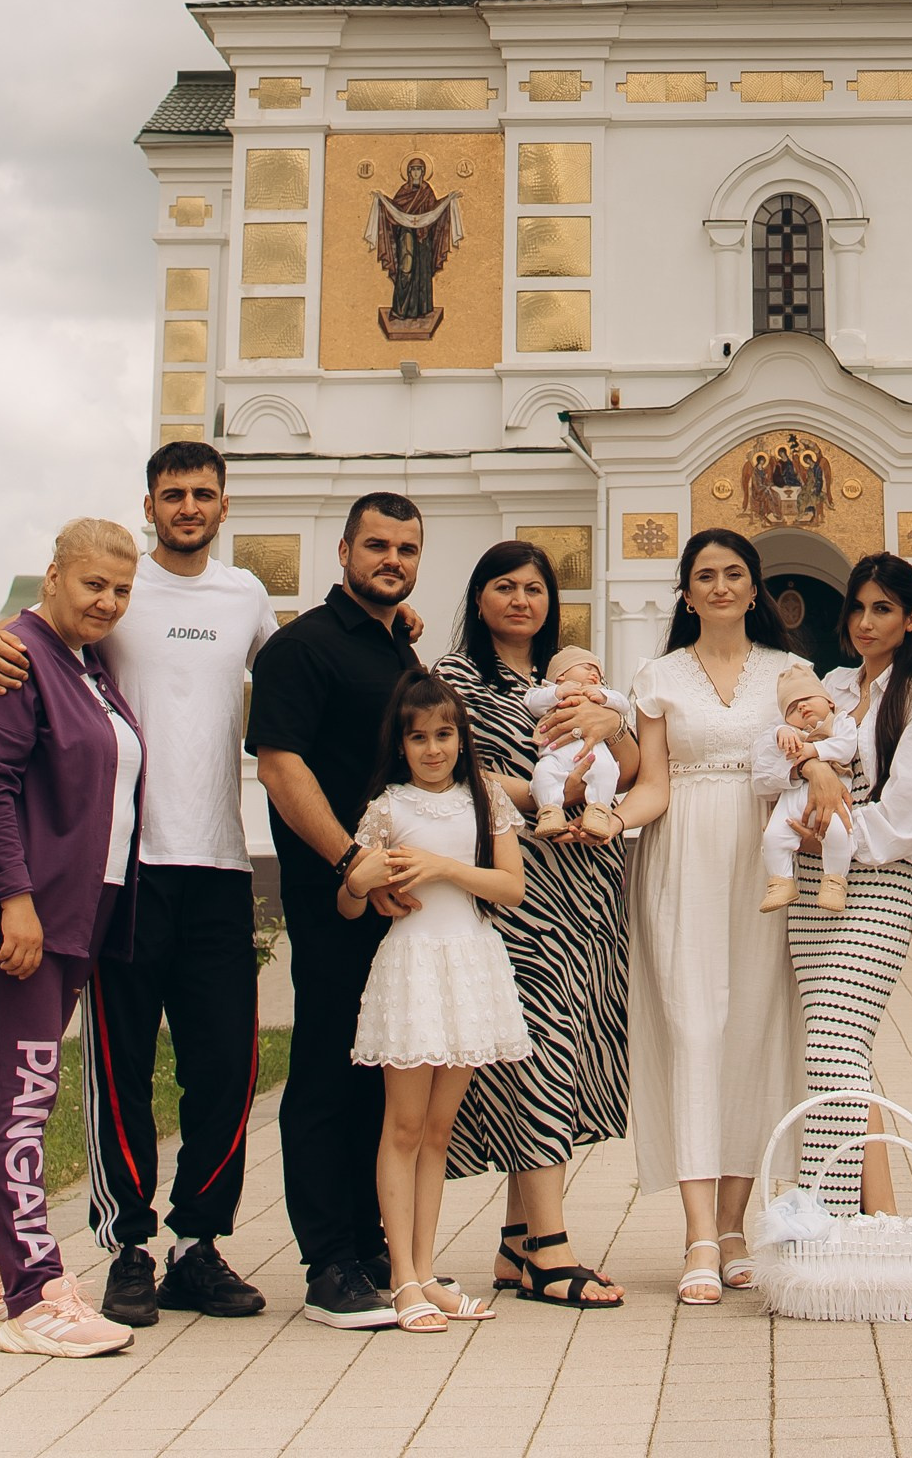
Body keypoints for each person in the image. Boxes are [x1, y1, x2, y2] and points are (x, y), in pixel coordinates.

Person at [0, 442, 275, 1329]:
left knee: (225, 1068)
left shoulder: (246, 596)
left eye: (203, 493)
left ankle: (197, 1245)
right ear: (150, 504)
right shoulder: (114, 587)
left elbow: (298, 674)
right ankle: (128, 1246)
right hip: (126, 872)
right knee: (119, 1065)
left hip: (221, 860)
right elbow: (12, 634)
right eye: (173, 493)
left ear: (223, 505)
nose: (188, 506)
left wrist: (394, 631)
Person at [0, 519, 144, 1359]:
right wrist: (14, 901)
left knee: (0, 1089)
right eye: (94, 584)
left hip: (72, 911)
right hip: (18, 913)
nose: (108, 602)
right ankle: (35, 1295)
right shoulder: (14, 656)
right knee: (24, 1095)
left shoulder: (86, 666)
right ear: (52, 576)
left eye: (121, 590)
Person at [437, 540, 633, 1311]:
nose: (521, 601)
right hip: (516, 891)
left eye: (535, 588)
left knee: (563, 1047)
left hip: (587, 890)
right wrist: (544, 794)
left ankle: (518, 1241)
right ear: (478, 596)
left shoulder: (571, 681)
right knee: (539, 1049)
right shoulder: (455, 679)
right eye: (505, 586)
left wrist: (610, 720)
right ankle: (552, 1250)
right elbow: (454, 772)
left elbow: (631, 767)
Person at [246, 490, 424, 1329]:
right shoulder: (301, 647)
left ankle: (370, 1244)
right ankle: (327, 1264)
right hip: (335, 895)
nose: (392, 560)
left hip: (403, 900)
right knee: (325, 1070)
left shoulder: (400, 652)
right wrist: (352, 862)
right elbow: (281, 768)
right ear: (345, 552)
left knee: (378, 1071)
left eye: (406, 549)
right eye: (377, 545)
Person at [623, 527, 801, 1305]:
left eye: (734, 573)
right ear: (687, 592)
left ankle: (735, 1227)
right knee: (693, 1028)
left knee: (754, 1029)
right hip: (683, 852)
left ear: (755, 588)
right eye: (705, 575)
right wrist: (611, 818)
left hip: (764, 855)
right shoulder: (658, 675)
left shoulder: (788, 672)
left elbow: (813, 759)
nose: (721, 586)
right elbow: (653, 784)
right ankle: (697, 1231)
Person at [752, 551, 912, 1209]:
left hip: (879, 882)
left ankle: (824, 1211)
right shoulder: (831, 687)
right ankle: (875, 1214)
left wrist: (831, 830)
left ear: (910, 618)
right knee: (835, 1047)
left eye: (883, 609)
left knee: (834, 1042)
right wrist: (811, 770)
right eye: (859, 608)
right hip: (809, 891)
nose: (866, 622)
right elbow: (763, 763)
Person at [342, 669, 531, 1330]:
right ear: (400, 744)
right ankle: (402, 1279)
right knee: (403, 1126)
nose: (433, 748)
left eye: (444, 734)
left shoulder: (485, 800)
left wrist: (444, 867)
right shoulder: (388, 808)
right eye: (418, 737)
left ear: (461, 737)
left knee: (438, 1129)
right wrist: (360, 882)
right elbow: (349, 902)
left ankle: (426, 1271)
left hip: (471, 966)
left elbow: (511, 888)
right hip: (414, 970)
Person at [758, 669, 859, 914]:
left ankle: (834, 882)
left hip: (831, 797)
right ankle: (780, 881)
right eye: (792, 708)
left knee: (838, 833)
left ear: (830, 701)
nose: (801, 706)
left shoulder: (840, 721)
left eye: (807, 698)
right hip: (794, 798)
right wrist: (781, 731)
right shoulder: (789, 731)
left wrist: (814, 751)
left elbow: (846, 747)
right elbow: (769, 741)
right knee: (773, 835)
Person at [522, 646, 628, 837]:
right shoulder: (547, 691)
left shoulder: (600, 692)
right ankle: (549, 811)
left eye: (598, 672)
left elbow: (623, 704)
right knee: (543, 774)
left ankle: (598, 811)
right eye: (587, 668)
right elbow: (532, 702)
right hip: (555, 753)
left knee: (607, 770)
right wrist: (557, 692)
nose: (594, 674)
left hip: (593, 753)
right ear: (561, 674)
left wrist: (604, 697)